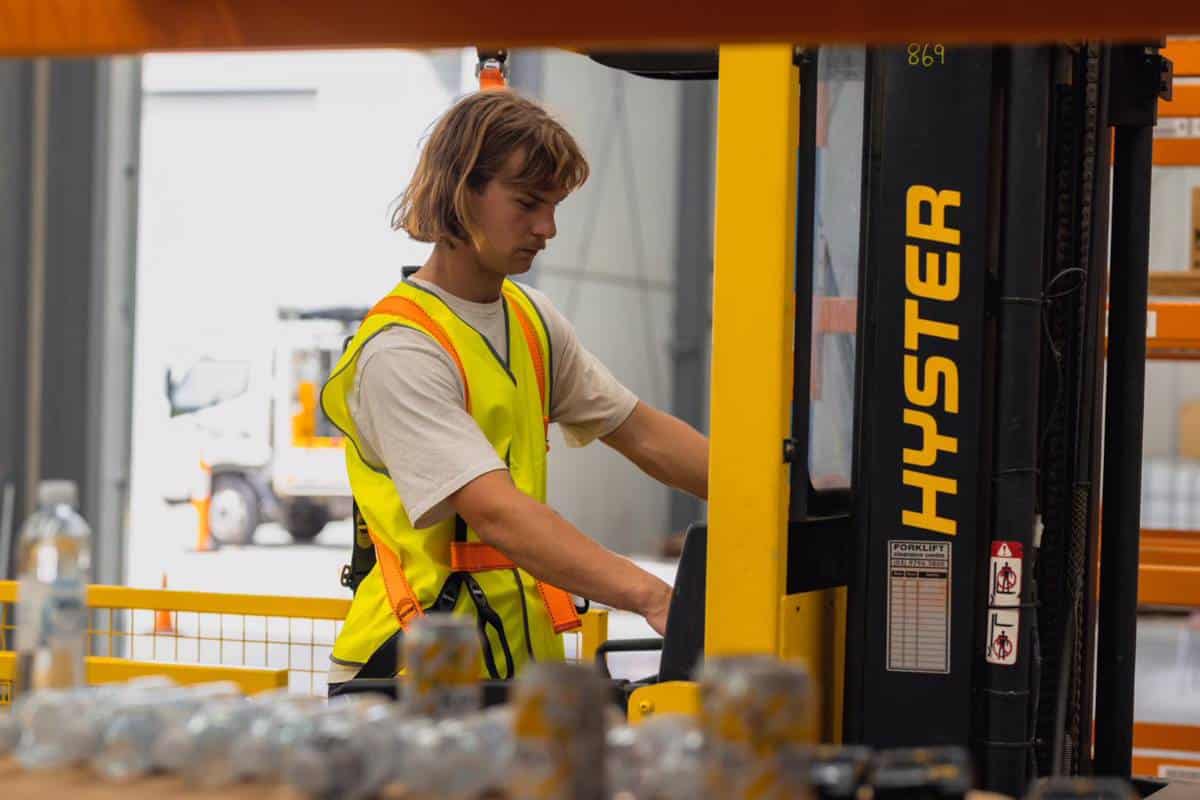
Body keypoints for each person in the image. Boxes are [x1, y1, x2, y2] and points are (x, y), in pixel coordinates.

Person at [323, 90, 709, 691]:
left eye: (553, 206)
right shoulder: (402, 350)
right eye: (528, 203)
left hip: (514, 670)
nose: (547, 229)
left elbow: (642, 432)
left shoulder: (531, 320)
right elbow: (496, 513)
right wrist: (653, 596)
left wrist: (767, 498)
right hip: (411, 679)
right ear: (461, 192)